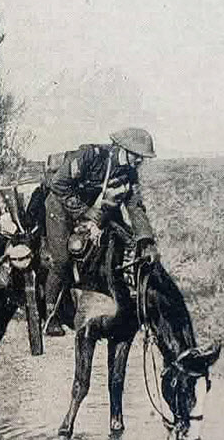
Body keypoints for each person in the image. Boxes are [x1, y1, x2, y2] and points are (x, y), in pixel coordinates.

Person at [44, 127, 160, 336]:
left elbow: (134, 206)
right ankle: (51, 313)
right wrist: (84, 211)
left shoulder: (129, 173)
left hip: (94, 210)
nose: (138, 162)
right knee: (62, 259)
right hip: (61, 206)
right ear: (122, 149)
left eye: (142, 159)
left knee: (125, 244)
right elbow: (58, 184)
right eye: (136, 156)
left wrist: (146, 239)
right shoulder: (92, 156)